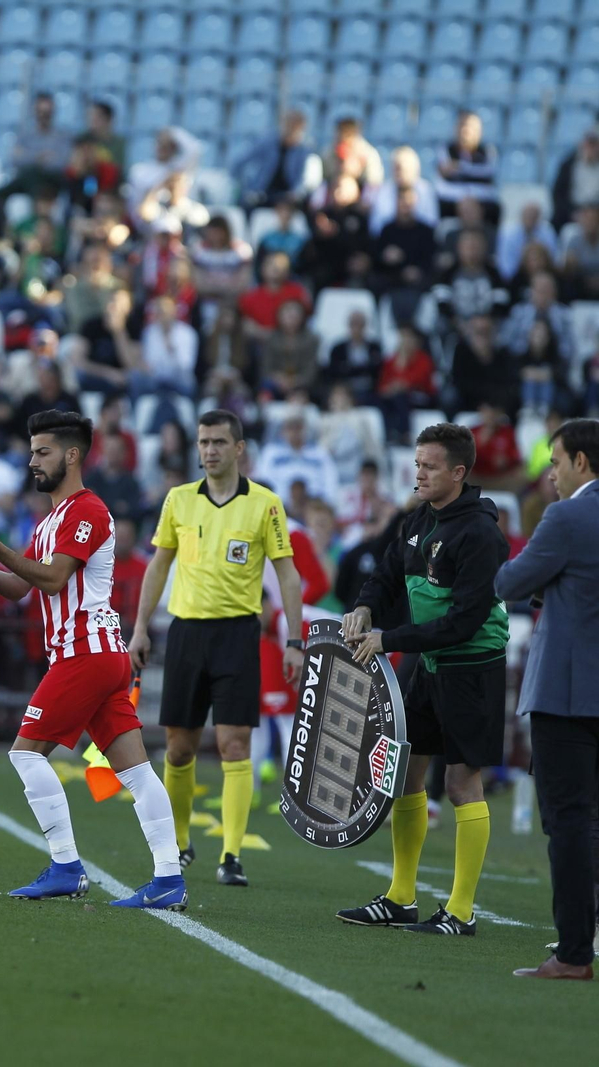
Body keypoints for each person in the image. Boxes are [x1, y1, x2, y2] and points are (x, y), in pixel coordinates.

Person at [0, 411, 188, 909]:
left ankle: (65, 866)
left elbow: (54, 579)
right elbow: (21, 586)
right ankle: (169, 878)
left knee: (24, 753)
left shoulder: (88, 511)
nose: (33, 462)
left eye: (43, 452)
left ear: (72, 455)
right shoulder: (51, 520)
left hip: (85, 653)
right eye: (32, 452)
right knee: (136, 772)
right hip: (99, 654)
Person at [339, 423, 509, 936]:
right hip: (430, 664)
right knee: (406, 775)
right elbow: (387, 573)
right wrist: (366, 606)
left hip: (471, 667)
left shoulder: (481, 534)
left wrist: (389, 639)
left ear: (458, 472)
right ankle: (401, 898)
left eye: (429, 466)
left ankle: (461, 912)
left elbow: (464, 623)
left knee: (460, 784)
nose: (418, 474)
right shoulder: (417, 519)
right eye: (416, 464)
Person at [128, 410, 304, 887]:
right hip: (186, 632)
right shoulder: (179, 499)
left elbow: (288, 574)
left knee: (234, 744)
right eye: (204, 442)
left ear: (239, 448)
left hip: (238, 635)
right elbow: (158, 565)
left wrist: (293, 640)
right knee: (179, 749)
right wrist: (140, 628)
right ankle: (180, 842)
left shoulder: (265, 504)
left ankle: (231, 855)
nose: (210, 450)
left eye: (219, 442)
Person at [494, 419, 599, 980]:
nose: (550, 474)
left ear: (581, 461)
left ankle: (575, 953)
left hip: (567, 694)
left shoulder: (566, 517)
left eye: (556, 462)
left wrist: (547, 579)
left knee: (569, 822)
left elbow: (509, 582)